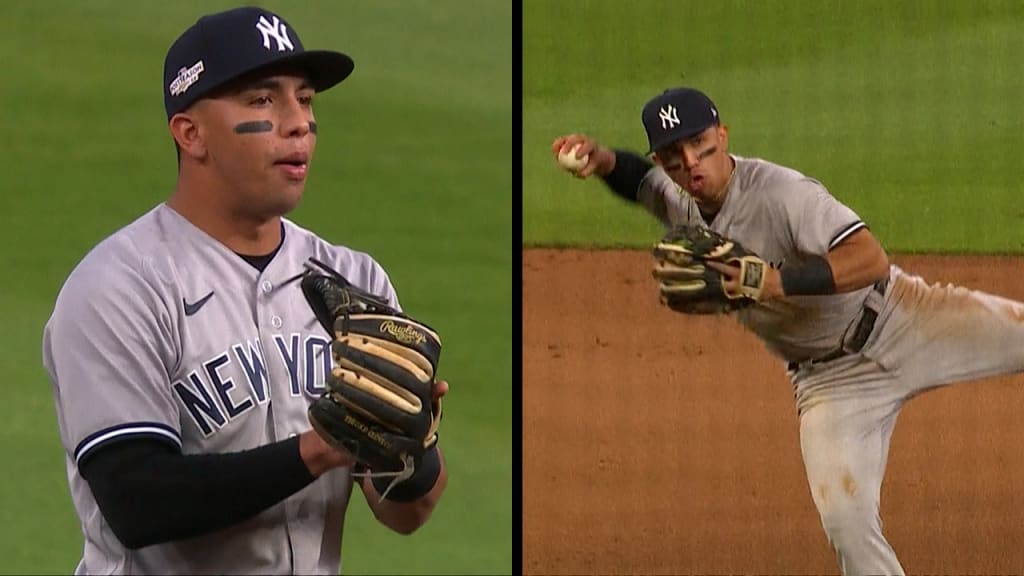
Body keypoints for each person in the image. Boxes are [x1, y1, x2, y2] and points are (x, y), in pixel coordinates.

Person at [42, 7, 448, 575]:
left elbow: (407, 513)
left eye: (304, 100)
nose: (298, 123)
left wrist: (412, 442)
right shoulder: (119, 286)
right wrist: (320, 449)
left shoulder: (355, 281)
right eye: (262, 100)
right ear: (191, 133)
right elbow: (137, 500)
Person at [552, 87, 1024, 575]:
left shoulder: (782, 193)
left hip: (903, 319)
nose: (690, 163)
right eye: (673, 155)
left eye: (701, 145)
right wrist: (602, 158)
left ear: (723, 136)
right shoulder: (681, 201)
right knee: (846, 522)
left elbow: (869, 258)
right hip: (829, 384)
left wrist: (776, 282)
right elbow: (638, 182)